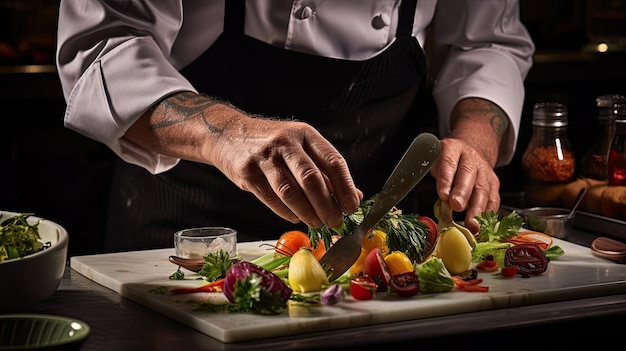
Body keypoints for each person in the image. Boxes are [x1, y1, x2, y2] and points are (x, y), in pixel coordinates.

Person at [55, 0, 534, 253]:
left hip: (376, 236)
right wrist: (229, 133)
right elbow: (103, 46)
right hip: (187, 224)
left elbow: (487, 40)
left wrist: (475, 137)